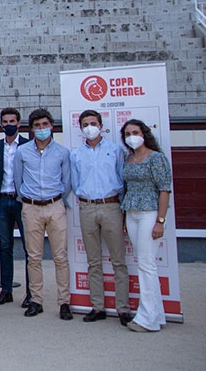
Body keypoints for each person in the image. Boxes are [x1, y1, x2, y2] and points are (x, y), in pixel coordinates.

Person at [71, 109, 131, 326]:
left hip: (111, 206)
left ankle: (123, 308)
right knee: (93, 261)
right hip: (87, 207)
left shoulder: (116, 151)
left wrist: (122, 210)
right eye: (85, 124)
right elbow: (75, 183)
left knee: (118, 261)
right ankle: (98, 307)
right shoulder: (76, 154)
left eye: (93, 123)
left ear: (101, 125)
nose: (90, 127)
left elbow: (122, 179)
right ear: (80, 128)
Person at [14, 108, 73, 320]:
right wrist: (29, 201)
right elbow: (18, 180)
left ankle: (64, 302)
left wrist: (55, 200)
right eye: (37, 126)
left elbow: (67, 182)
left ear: (52, 127)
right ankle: (36, 300)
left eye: (45, 125)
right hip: (30, 207)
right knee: (34, 257)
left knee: (60, 257)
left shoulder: (62, 153)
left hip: (55, 205)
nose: (41, 129)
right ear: (31, 129)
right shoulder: (22, 152)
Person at [120, 119, 171, 333]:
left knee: (147, 265)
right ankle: (155, 316)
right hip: (131, 213)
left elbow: (164, 190)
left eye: (135, 132)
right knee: (144, 264)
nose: (131, 136)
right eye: (127, 133)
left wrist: (160, 220)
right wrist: (124, 219)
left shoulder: (156, 158)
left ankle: (146, 318)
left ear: (144, 133)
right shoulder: (130, 158)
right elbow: (128, 189)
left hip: (150, 214)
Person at [0, 108, 31, 307]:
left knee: (30, 248)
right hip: (3, 201)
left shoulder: (28, 145)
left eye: (12, 121)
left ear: (19, 123)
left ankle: (32, 293)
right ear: (1, 124)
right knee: (5, 247)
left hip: (23, 201)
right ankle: (6, 290)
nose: (8, 124)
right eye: (5, 121)